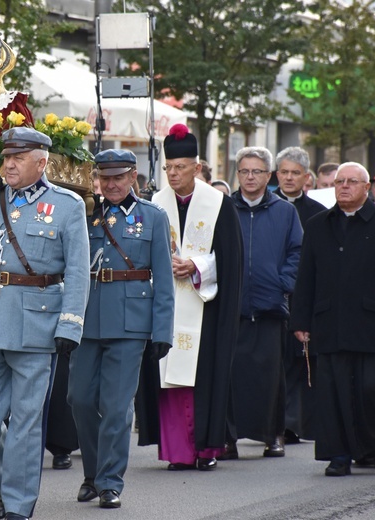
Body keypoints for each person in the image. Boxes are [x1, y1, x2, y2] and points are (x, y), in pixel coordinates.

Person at [0, 127, 90, 520]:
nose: (8, 164)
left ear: (41, 162)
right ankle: (11, 481)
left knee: (26, 423)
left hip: (36, 323)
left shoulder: (67, 205)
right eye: (6, 157)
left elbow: (79, 272)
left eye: (18, 158)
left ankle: (16, 505)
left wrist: (70, 325)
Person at [291, 162, 375, 477]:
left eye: (351, 181)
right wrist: (300, 320)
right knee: (332, 392)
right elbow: (306, 276)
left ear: (364, 187)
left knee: (371, 389)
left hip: (372, 320)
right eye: (340, 182)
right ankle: (339, 455)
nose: (344, 186)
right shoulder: (319, 224)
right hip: (329, 320)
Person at [68, 149, 173, 509]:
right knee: (79, 399)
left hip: (130, 323)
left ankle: (109, 482)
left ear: (133, 177)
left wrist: (162, 331)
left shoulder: (153, 217)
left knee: (115, 407)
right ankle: (93, 472)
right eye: (105, 177)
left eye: (118, 177)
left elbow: (164, 279)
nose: (111, 184)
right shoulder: (84, 215)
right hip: (87, 320)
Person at [136, 124, 243, 473]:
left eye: (180, 168)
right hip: (166, 306)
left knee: (204, 377)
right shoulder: (155, 205)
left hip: (205, 308)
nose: (173, 174)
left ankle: (207, 448)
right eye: (168, 168)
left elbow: (231, 260)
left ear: (196, 168)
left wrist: (196, 266)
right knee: (168, 377)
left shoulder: (218, 205)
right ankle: (178, 451)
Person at [227, 147, 302, 459]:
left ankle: (273, 434)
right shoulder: (224, 208)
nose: (250, 177)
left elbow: (297, 252)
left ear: (269, 176)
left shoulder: (285, 212)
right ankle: (228, 437)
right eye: (244, 171)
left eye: (257, 171)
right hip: (232, 307)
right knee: (230, 375)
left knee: (271, 376)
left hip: (270, 307)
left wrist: (282, 284)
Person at [273, 146, 325, 444]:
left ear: (307, 177)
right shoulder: (266, 205)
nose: (289, 178)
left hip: (304, 295)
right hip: (273, 292)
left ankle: (294, 422)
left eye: (296, 173)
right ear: (276, 174)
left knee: (299, 361)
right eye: (284, 172)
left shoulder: (318, 214)